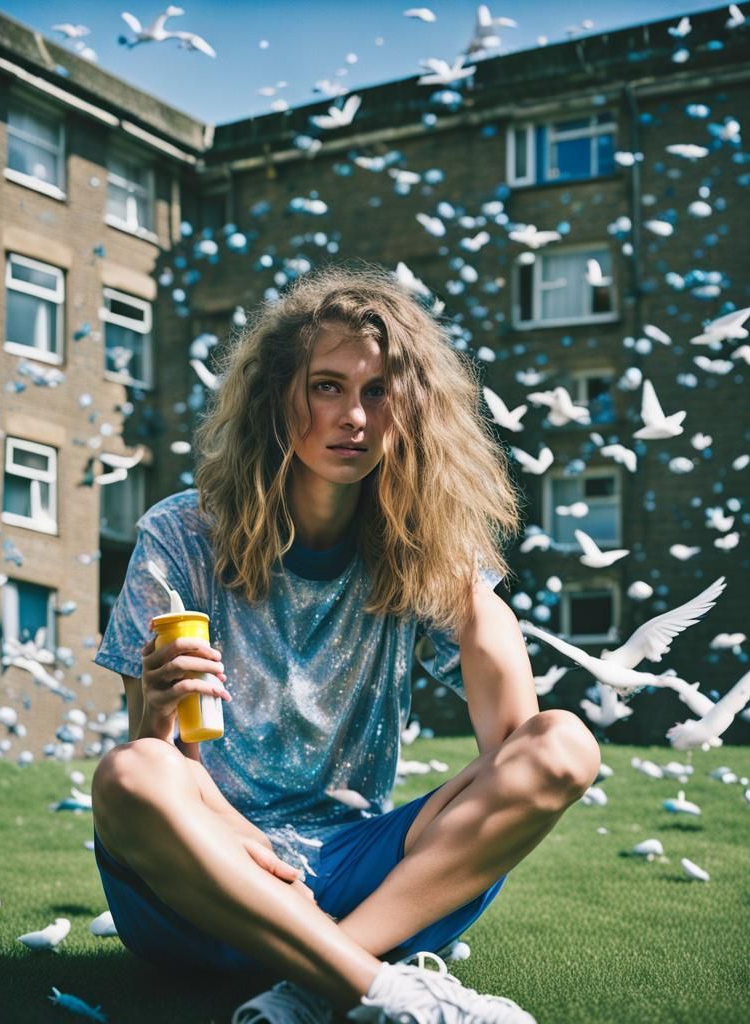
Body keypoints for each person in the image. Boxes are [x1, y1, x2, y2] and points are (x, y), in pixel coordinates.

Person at [91, 265, 600, 1023]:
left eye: (378, 392)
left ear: (413, 411)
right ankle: (379, 990)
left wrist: (466, 590)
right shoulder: (181, 534)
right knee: (130, 772)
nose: (353, 416)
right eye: (328, 386)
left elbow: (517, 746)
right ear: (278, 396)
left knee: (565, 744)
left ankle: (314, 988)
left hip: (361, 877)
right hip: (211, 880)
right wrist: (162, 720)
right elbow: (164, 766)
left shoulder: (431, 551)